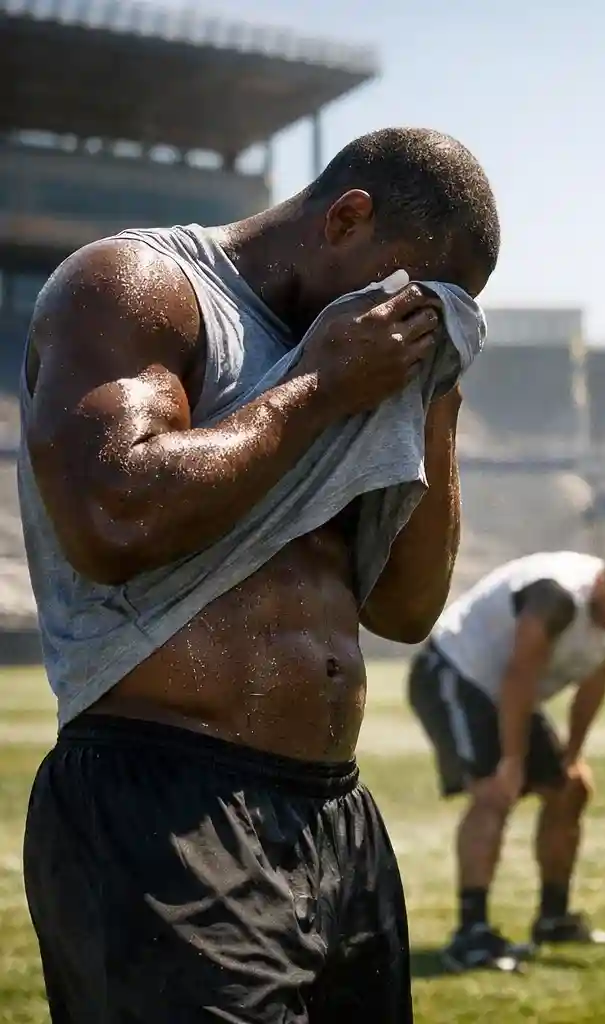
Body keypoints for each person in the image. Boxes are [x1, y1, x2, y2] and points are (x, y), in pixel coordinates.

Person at [20, 127, 500, 1022]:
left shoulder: (364, 365)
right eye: (413, 293)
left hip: (334, 815)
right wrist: (318, 388)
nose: (416, 320)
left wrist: (436, 392)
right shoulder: (139, 285)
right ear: (348, 217)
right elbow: (113, 517)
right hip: (164, 800)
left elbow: (404, 609)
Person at [408, 550, 605, 973]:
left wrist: (572, 755)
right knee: (494, 793)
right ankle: (472, 933)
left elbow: (592, 687)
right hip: (454, 674)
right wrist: (511, 760)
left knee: (571, 789)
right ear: (603, 584)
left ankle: (553, 918)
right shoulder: (557, 596)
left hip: (507, 693)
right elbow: (519, 674)